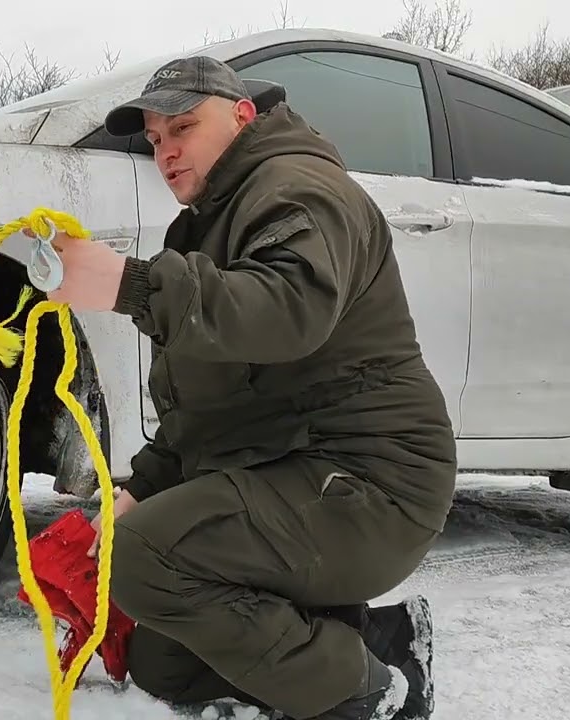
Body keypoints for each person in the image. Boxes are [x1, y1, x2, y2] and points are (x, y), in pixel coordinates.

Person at [36, 55, 458, 720]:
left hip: (371, 485)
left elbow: (289, 310)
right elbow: (208, 407)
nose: (167, 152)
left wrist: (131, 284)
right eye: (155, 141)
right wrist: (140, 488)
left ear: (241, 116)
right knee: (163, 659)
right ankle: (382, 640)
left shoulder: (299, 189)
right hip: (296, 472)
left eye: (182, 127)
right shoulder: (206, 224)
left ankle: (363, 692)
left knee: (147, 560)